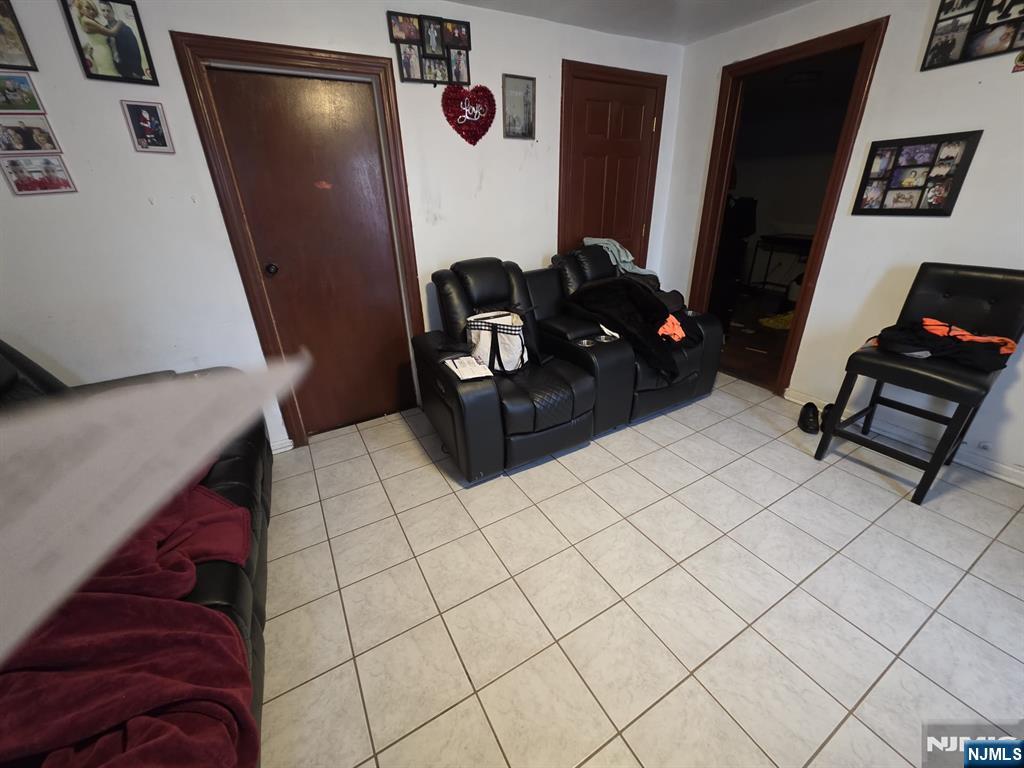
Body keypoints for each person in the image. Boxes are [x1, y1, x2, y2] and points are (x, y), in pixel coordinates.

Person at [99, 0, 145, 79]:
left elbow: (135, 50)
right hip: (116, 69)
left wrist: (136, 71)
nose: (106, 13)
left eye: (108, 11)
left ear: (113, 11)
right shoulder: (105, 29)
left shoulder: (125, 29)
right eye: (103, 10)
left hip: (131, 70)